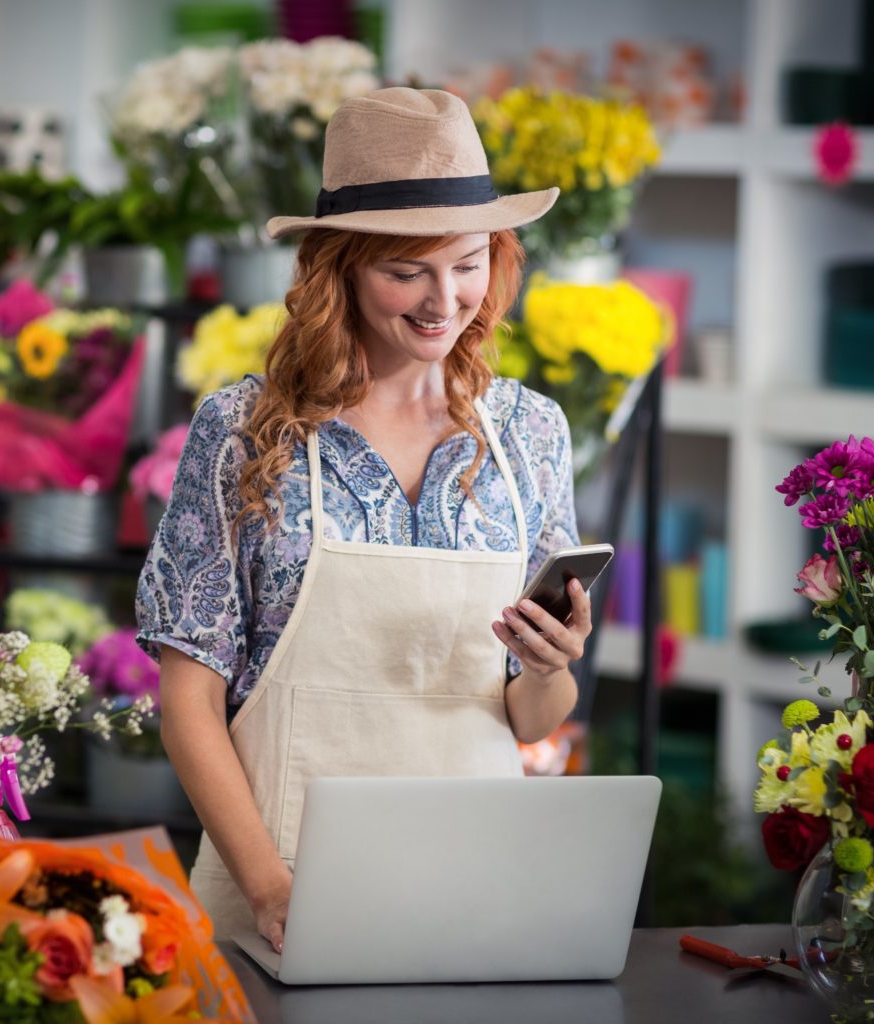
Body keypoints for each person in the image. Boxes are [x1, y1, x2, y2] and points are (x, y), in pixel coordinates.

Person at [135, 87, 589, 952]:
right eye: (405, 270)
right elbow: (186, 701)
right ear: (336, 268)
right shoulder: (243, 432)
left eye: (466, 263)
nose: (442, 300)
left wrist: (547, 667)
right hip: (282, 883)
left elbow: (531, 720)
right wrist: (271, 889)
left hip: (477, 884)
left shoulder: (531, 434)